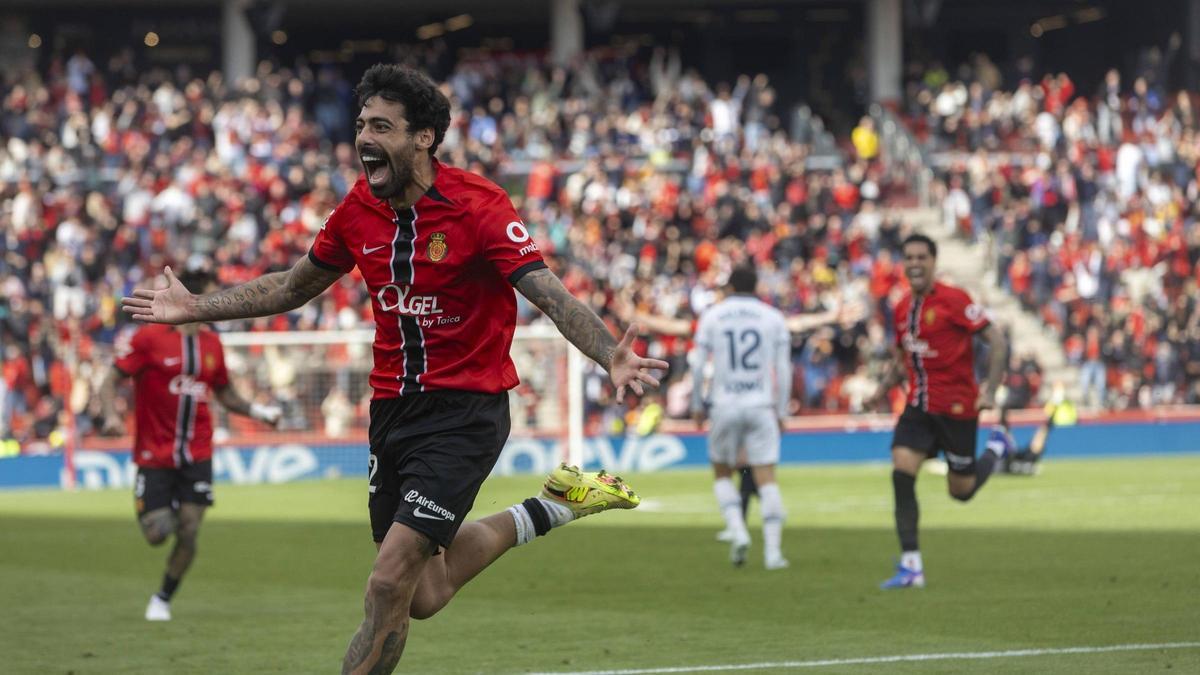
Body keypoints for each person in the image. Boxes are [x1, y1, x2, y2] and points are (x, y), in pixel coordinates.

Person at [121, 64, 668, 674]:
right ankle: (554, 505)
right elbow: (291, 286)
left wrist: (608, 354)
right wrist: (196, 307)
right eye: (362, 125)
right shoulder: (357, 209)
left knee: (386, 583)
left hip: (465, 411)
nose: (364, 137)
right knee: (424, 592)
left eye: (381, 126)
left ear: (424, 137)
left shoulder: (480, 206)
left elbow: (549, 294)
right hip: (391, 413)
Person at [99, 265, 283, 621]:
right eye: (216, 295)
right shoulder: (149, 339)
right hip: (154, 454)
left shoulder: (212, 344)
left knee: (189, 529)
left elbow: (225, 393)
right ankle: (161, 514)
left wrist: (260, 412)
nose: (222, 302)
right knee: (157, 533)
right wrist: (109, 416)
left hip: (197, 453)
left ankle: (162, 598)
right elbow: (110, 380)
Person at [868, 233, 1008, 589]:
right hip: (918, 406)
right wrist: (880, 392)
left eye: (921, 257)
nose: (915, 263)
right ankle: (911, 565)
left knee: (961, 491)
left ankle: (996, 448)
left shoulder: (955, 300)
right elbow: (903, 360)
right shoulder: (901, 308)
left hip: (957, 408)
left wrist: (990, 389)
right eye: (909, 257)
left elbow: (996, 340)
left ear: (933, 261)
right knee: (901, 472)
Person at [690, 265, 792, 570]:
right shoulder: (773, 317)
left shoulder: (713, 316)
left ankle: (737, 531)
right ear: (756, 287)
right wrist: (782, 411)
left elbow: (698, 365)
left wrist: (697, 403)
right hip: (761, 404)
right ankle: (773, 554)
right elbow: (783, 368)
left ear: (730, 288)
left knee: (722, 472)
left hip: (724, 404)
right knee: (767, 478)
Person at [989, 405, 1059, 475]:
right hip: (1014, 459)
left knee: (1037, 442)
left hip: (1020, 459)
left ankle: (1050, 420)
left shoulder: (1031, 450)